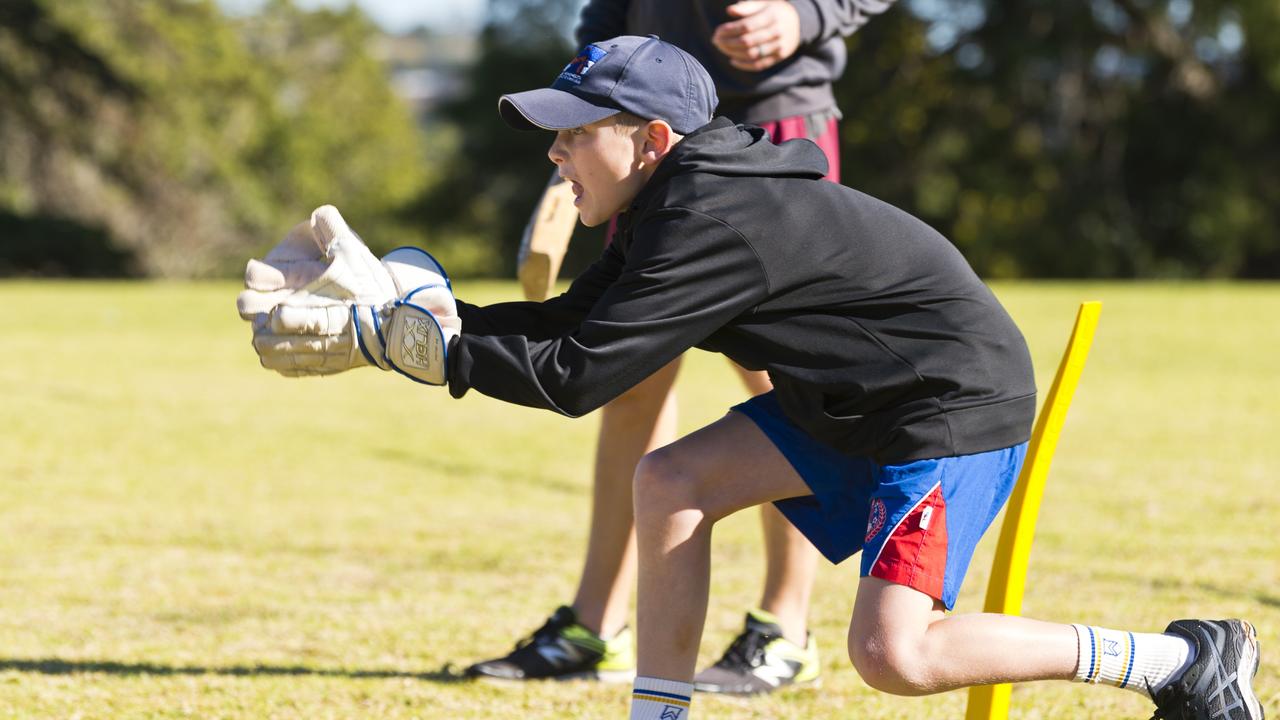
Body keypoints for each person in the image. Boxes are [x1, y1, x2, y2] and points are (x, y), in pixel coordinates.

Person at [238, 36, 1263, 720]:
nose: (553, 152)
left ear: (648, 141)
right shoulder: (666, 201)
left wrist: (405, 348)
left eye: (571, 132)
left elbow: (578, 376)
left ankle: (1182, 662)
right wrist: (437, 325)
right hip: (847, 401)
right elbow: (568, 322)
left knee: (892, 656)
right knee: (670, 482)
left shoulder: (710, 220)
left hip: (941, 410)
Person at [472, 0, 896, 694]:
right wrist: (581, 121)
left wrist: (807, 15)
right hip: (632, 123)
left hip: (771, 112)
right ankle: (594, 625)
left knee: (780, 372)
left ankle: (783, 630)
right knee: (622, 369)